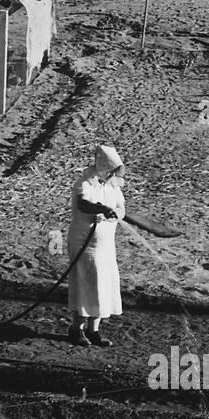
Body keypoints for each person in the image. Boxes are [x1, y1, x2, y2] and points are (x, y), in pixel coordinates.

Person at [67, 144, 126, 347]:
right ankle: (77, 329)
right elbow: (83, 204)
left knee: (103, 284)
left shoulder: (113, 186)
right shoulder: (84, 182)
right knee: (86, 282)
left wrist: (115, 213)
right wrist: (101, 208)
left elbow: (122, 209)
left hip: (106, 244)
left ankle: (94, 330)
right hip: (85, 242)